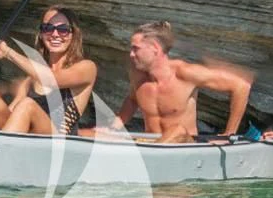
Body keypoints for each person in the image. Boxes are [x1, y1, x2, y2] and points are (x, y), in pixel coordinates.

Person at [0, 6, 98, 135]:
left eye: (63, 29)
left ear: (74, 35)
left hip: (57, 145)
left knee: (27, 106)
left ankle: (0, 156)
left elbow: (53, 79)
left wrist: (8, 53)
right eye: (48, 28)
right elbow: (11, 117)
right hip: (24, 139)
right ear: (41, 34)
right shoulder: (30, 80)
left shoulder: (87, 67)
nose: (55, 34)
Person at [107, 21, 253, 144]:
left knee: (177, 130)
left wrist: (228, 134)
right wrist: (113, 128)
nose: (131, 54)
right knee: (92, 133)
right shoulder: (137, 74)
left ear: (155, 49)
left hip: (184, 145)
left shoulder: (185, 73)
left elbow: (241, 85)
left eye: (135, 48)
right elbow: (133, 100)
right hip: (149, 143)